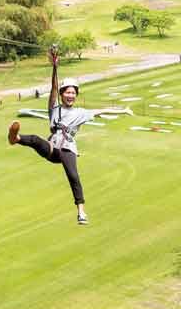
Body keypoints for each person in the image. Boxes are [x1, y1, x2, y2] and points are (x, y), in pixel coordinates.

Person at [8, 47, 133, 225]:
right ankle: (16, 138)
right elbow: (53, 88)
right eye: (67, 92)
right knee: (35, 140)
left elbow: (101, 110)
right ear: (62, 94)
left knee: (73, 175)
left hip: (68, 148)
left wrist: (123, 110)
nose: (70, 95)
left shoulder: (81, 113)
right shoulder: (54, 109)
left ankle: (81, 211)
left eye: (73, 92)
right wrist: (54, 68)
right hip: (53, 147)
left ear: (76, 95)